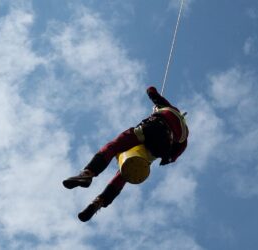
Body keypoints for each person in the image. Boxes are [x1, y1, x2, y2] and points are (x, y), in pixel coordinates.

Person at [63, 86, 189, 222]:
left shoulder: (169, 108)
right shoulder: (185, 135)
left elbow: (151, 91)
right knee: (127, 170)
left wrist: (156, 106)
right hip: (162, 146)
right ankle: (99, 202)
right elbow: (173, 156)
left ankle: (88, 174)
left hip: (153, 127)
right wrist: (164, 158)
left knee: (113, 146)